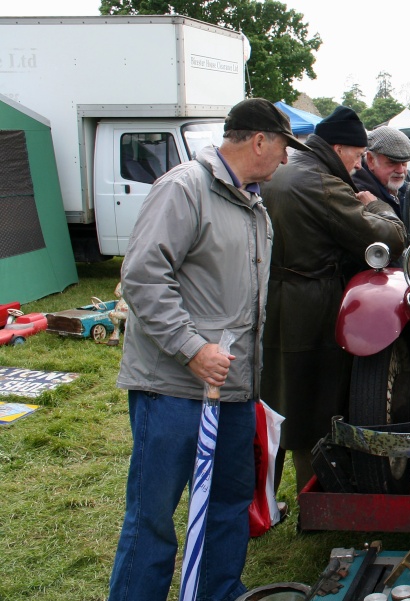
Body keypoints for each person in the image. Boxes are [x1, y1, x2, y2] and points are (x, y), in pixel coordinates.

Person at [109, 98, 305, 601]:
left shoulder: (252, 202)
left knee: (226, 504)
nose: (286, 159)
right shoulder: (183, 189)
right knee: (153, 515)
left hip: (233, 392)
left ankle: (218, 592)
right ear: (259, 140)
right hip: (173, 388)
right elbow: (143, 277)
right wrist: (192, 348)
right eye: (284, 146)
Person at [260, 106, 406, 493]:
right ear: (339, 148)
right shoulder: (323, 183)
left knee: (276, 396)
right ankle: (317, 493)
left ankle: (264, 498)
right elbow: (389, 236)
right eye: (357, 156)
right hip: (312, 303)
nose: (358, 165)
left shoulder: (285, 169)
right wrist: (374, 205)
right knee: (313, 402)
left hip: (275, 295)